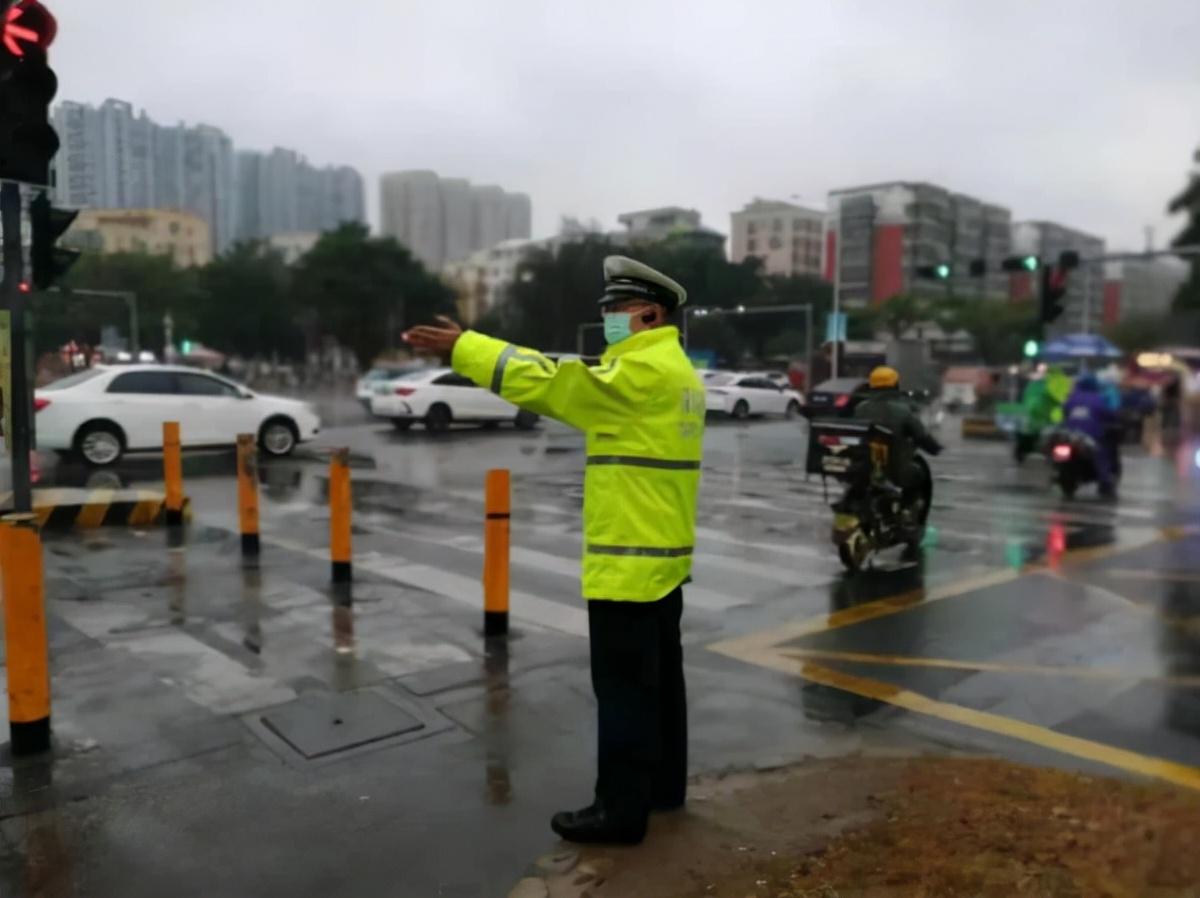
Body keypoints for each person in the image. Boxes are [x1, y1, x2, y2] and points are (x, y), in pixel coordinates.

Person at [403, 256, 705, 845]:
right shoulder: (679, 372)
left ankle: (620, 811)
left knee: (622, 692)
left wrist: (466, 346)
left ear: (650, 313)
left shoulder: (644, 375)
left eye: (617, 311)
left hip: (629, 564)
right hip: (663, 560)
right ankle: (662, 788)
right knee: (660, 686)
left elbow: (549, 381)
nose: (608, 320)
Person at [852, 366, 943, 495]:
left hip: (864, 466)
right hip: (894, 469)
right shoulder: (903, 410)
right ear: (895, 385)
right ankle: (906, 510)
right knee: (919, 474)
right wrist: (935, 448)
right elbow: (920, 435)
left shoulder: (860, 408)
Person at [1062, 372, 1119, 498]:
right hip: (1092, 434)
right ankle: (1105, 482)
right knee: (1101, 456)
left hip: (1069, 434)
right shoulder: (1097, 398)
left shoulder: (1072, 397)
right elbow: (1107, 413)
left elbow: (1064, 410)